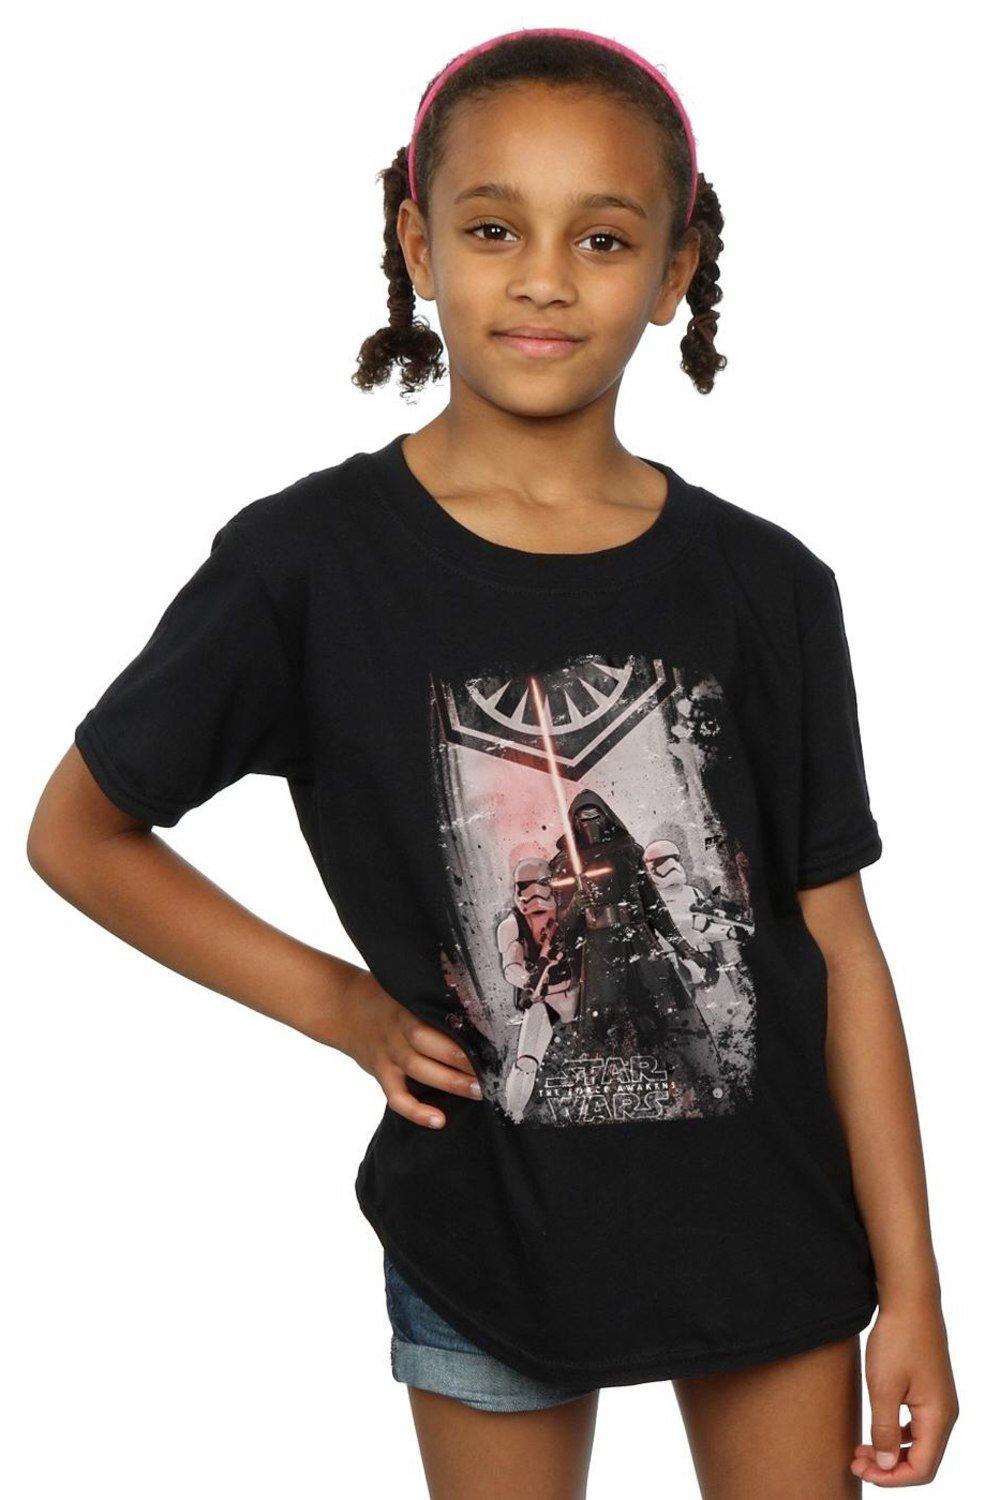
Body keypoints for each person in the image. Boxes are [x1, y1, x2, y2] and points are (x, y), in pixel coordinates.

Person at [25, 25, 958, 1498]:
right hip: (488, 1235)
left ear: (674, 270)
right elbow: (79, 834)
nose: (542, 278)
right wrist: (343, 1007)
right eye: (491, 228)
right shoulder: (306, 567)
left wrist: (913, 1286)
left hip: (770, 1228)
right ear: (417, 245)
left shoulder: (768, 584)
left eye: (602, 237)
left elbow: (838, 944)